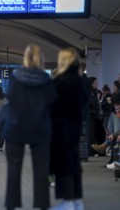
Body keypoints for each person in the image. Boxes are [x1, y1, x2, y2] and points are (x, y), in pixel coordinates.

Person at [3, 44, 56, 210]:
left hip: (15, 129)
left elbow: (10, 99)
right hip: (40, 129)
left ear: (25, 58)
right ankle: (42, 206)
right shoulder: (46, 80)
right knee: (41, 170)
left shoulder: (15, 78)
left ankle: (11, 205)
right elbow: (52, 103)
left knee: (13, 169)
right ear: (41, 59)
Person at [50, 47, 85, 210]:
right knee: (73, 163)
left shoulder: (61, 81)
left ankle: (67, 201)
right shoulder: (79, 80)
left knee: (63, 165)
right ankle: (77, 200)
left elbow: (53, 106)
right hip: (75, 127)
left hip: (60, 128)